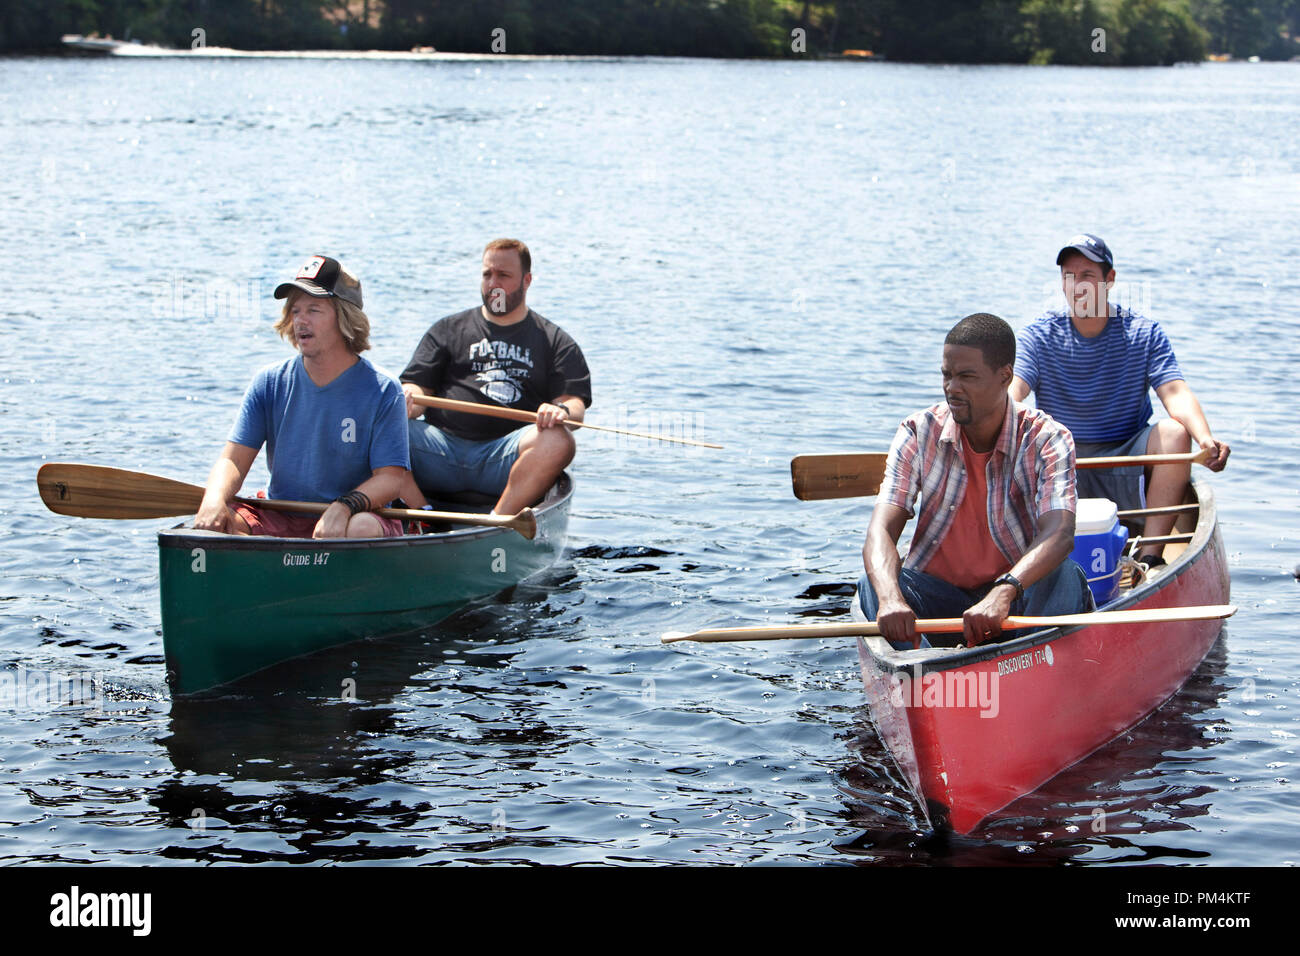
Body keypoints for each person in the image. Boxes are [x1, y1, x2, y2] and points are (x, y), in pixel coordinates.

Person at [859, 313, 1092, 650]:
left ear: (1005, 377)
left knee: (1064, 576)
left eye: (967, 376)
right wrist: (891, 598)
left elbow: (1059, 533)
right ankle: (925, 672)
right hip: (940, 602)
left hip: (1013, 602)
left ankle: (1028, 663)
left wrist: (1005, 590)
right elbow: (880, 531)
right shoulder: (917, 430)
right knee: (872, 584)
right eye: (947, 375)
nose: (952, 388)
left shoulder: (1047, 438)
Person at [1010, 234, 1229, 569]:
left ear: (1109, 281)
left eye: (1087, 276)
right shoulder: (1038, 335)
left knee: (1173, 432)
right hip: (1062, 460)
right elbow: (1014, 389)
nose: (1077, 286)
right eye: (1069, 277)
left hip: (1126, 456)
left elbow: (1175, 392)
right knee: (1010, 429)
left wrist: (1204, 438)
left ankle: (1150, 556)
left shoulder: (1143, 332)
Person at [195, 255, 410, 538]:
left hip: (355, 515)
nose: (300, 321)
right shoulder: (269, 382)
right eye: (295, 310)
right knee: (221, 527)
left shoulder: (383, 389)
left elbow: (390, 479)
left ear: (345, 317)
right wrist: (214, 499)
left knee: (361, 528)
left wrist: (344, 507)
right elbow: (233, 461)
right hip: (282, 513)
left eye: (313, 310)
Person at [397, 239, 592, 517]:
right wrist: (407, 397)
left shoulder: (555, 341)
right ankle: (421, 514)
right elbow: (417, 389)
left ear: (526, 281)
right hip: (440, 450)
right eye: (487, 274)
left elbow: (575, 406)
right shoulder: (447, 329)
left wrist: (559, 410)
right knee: (383, 421)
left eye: (503, 275)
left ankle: (496, 523)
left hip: (504, 458)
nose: (493, 284)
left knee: (559, 440)